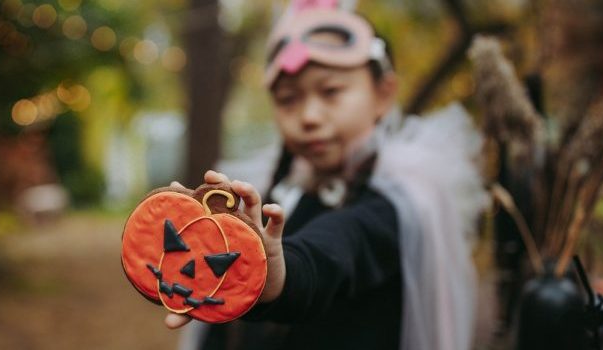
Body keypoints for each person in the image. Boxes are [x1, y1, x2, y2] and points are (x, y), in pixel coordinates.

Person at [165, 1, 488, 349]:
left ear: (383, 94)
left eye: (331, 92)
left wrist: (280, 276)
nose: (309, 116)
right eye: (289, 99)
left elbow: (337, 247)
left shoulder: (398, 204)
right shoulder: (278, 194)